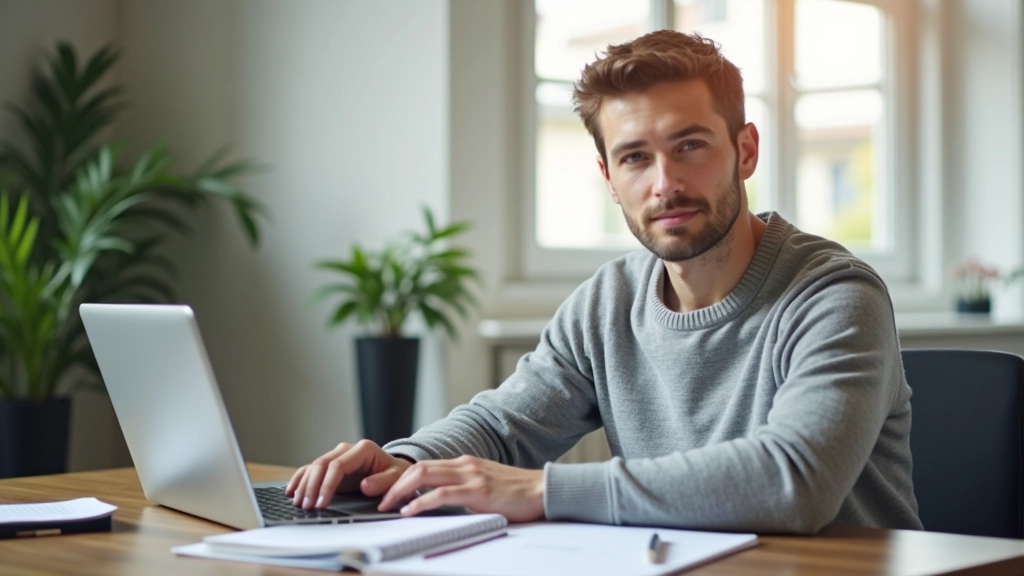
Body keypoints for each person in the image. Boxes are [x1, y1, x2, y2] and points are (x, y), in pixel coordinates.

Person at [287, 30, 922, 533]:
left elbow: (795, 483)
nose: (664, 183)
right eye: (635, 157)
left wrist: (541, 491)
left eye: (691, 145)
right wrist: (401, 465)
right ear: (608, 175)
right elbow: (504, 426)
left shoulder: (836, 294)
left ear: (745, 150)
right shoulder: (608, 302)